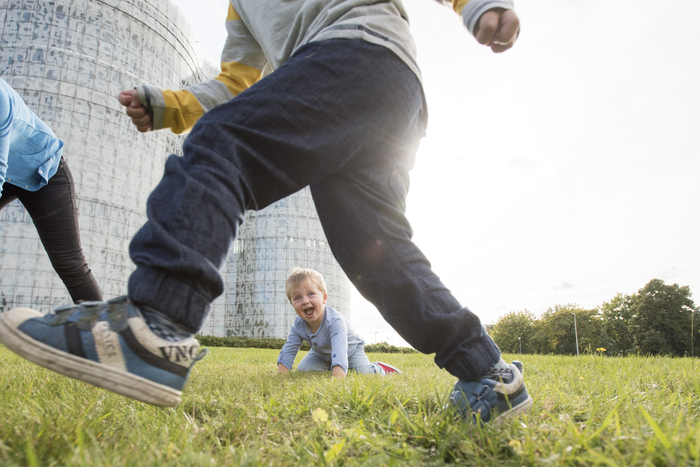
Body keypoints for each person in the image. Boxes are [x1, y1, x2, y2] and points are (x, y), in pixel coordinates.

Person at [0, 0, 532, 423]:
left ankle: (154, 326)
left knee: (222, 144)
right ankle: (486, 374)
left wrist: (477, 5)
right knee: (375, 249)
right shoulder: (240, 8)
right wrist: (168, 105)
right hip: (385, 92)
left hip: (356, 52)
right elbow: (236, 81)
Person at [0, 77, 102, 305]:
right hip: (10, 174)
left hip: (45, 171)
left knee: (69, 261)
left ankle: (102, 334)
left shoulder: (0, 98)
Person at [277, 267, 401, 377]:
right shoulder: (299, 325)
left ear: (324, 298)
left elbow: (340, 351)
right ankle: (331, 365)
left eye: (311, 294)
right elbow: (290, 347)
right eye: (297, 297)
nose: (305, 301)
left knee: (364, 373)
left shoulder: (335, 322)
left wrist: (337, 376)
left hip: (351, 351)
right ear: (292, 303)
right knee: (304, 369)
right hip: (322, 353)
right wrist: (281, 375)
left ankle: (381, 368)